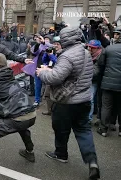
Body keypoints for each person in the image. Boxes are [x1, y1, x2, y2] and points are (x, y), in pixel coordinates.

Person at [36, 27, 100, 180]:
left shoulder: (68, 56)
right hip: (84, 100)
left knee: (60, 129)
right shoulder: (85, 52)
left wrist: (42, 72)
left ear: (66, 39)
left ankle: (61, 154)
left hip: (66, 101)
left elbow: (55, 78)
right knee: (83, 131)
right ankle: (92, 162)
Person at [96, 27, 121, 137]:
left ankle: (104, 129)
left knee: (106, 106)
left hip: (107, 82)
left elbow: (100, 64)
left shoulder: (109, 48)